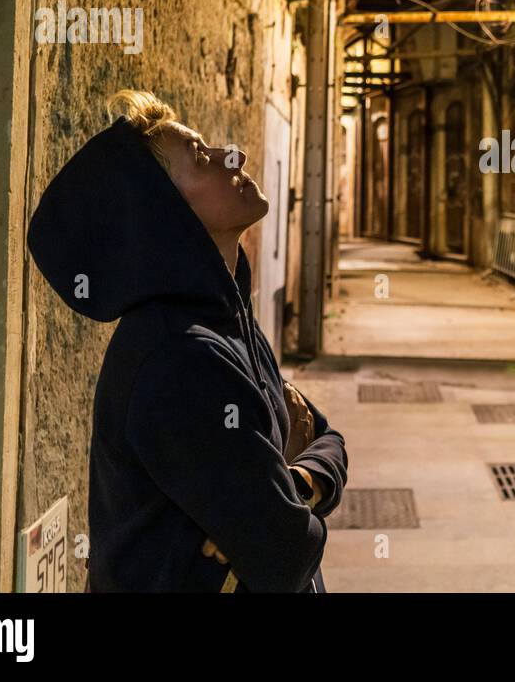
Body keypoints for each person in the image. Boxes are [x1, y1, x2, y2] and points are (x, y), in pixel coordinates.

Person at [27, 89, 347, 592]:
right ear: (165, 214)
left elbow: (328, 439)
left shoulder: (225, 321)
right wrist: (284, 493)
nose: (232, 157)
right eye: (201, 158)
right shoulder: (179, 357)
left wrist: (294, 482)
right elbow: (286, 550)